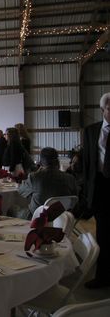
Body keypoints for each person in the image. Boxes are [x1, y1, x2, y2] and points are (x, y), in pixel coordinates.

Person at [83, 92, 110, 289]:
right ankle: (102, 276)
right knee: (103, 235)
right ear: (102, 110)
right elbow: (87, 163)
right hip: (100, 189)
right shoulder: (92, 131)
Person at [18, 147, 78, 215]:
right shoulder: (70, 178)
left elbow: (20, 191)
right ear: (57, 162)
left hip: (37, 218)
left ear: (40, 163)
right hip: (62, 218)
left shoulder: (34, 177)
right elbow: (75, 198)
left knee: (12, 209)